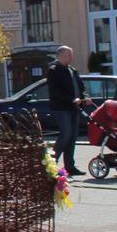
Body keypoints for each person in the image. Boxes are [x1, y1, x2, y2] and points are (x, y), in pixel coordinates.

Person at [47, 45, 88, 176]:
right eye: (68, 55)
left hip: (74, 108)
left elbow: (80, 86)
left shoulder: (72, 69)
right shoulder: (54, 70)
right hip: (61, 108)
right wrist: (71, 99)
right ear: (60, 56)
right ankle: (51, 164)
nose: (71, 57)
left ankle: (70, 166)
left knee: (72, 136)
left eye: (72, 55)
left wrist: (84, 97)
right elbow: (55, 91)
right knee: (66, 133)